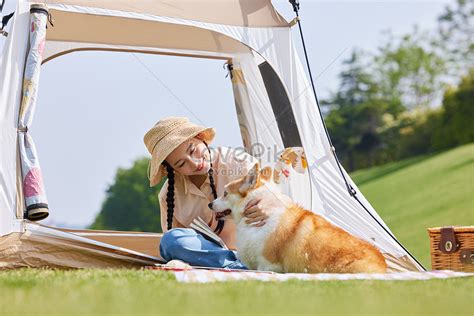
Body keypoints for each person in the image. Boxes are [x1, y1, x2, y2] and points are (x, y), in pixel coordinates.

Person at [143, 117, 286, 269]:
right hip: (214, 258)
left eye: (192, 150)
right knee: (171, 240)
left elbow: (280, 202)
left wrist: (268, 205)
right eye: (181, 163)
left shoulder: (238, 163)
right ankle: (235, 266)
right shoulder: (168, 196)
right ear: (172, 169)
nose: (195, 163)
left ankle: (239, 266)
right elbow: (178, 244)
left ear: (200, 137)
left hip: (257, 251)